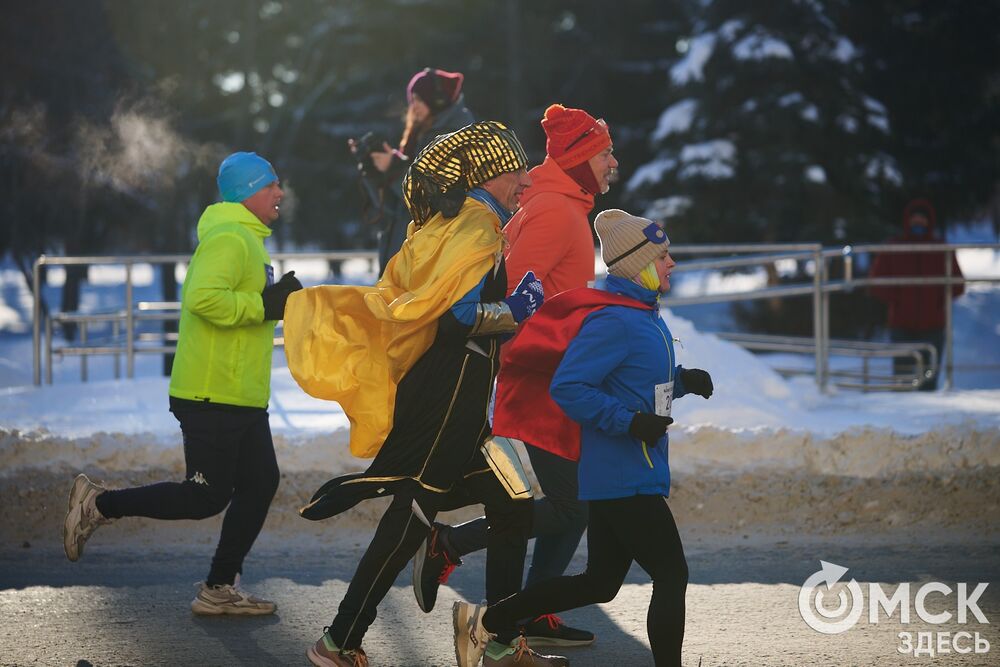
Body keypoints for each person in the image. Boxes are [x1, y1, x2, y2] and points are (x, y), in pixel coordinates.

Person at [282, 121, 566, 667]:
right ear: (487, 173)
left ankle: (500, 640)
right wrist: (517, 309)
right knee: (410, 516)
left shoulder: (453, 222)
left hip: (459, 399)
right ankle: (339, 642)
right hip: (447, 399)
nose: (526, 182)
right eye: (517, 171)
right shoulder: (477, 226)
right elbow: (456, 320)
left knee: (513, 505)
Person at [452, 209, 715, 667]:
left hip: (629, 470)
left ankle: (487, 621)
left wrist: (682, 381)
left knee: (600, 583)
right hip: (622, 474)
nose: (671, 262)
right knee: (672, 574)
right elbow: (569, 387)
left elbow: (635, 384)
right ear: (639, 264)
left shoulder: (644, 316)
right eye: (663, 256)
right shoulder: (615, 320)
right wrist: (628, 423)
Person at [412, 103, 619, 648]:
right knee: (572, 503)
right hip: (542, 375)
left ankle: (534, 607)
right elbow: (512, 294)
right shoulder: (555, 211)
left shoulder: (559, 204)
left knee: (577, 501)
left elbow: (548, 291)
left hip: (556, 370)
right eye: (604, 154)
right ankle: (451, 546)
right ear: (579, 159)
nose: (613, 164)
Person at [62, 152, 302, 615]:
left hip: (239, 392)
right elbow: (203, 299)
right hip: (212, 392)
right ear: (247, 192)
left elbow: (239, 303)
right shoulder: (230, 238)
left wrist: (272, 302)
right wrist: (263, 305)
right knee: (205, 496)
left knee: (260, 482)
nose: (280, 192)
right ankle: (98, 504)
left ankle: (219, 587)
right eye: (271, 184)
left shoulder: (247, 239)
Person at [351, 67, 475, 275]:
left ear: (437, 100)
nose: (413, 106)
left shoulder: (455, 137)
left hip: (431, 262)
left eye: (419, 99)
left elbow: (435, 201)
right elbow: (395, 209)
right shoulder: (419, 136)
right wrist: (373, 172)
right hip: (407, 259)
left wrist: (394, 167)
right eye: (411, 100)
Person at [870, 198, 964, 390]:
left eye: (922, 218)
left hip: (933, 326)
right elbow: (876, 282)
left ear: (929, 221)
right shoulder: (894, 246)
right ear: (908, 220)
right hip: (901, 325)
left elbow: (957, 285)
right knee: (902, 380)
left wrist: (937, 300)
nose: (918, 222)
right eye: (915, 218)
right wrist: (898, 299)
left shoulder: (941, 248)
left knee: (928, 382)